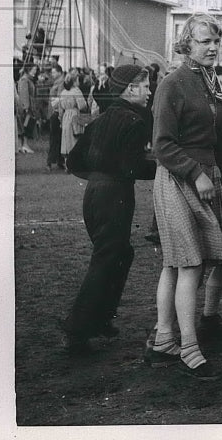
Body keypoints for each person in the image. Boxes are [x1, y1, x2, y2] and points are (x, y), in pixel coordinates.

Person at [146, 13, 222, 380]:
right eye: (204, 41)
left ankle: (165, 339)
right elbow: (162, 145)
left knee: (178, 263)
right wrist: (196, 173)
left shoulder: (214, 82)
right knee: (187, 263)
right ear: (187, 44)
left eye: (216, 40)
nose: (213, 47)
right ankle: (188, 347)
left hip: (208, 180)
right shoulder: (173, 83)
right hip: (178, 179)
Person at [60, 65, 156, 354]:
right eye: (145, 86)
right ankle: (77, 331)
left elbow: (74, 162)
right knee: (106, 260)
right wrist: (162, 167)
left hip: (94, 194)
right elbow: (132, 166)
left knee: (120, 254)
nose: (150, 91)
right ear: (130, 89)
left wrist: (101, 177)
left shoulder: (101, 120)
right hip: (115, 196)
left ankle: (101, 319)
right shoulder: (135, 121)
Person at [59, 72, 91, 163]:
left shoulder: (63, 92)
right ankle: (75, 162)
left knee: (66, 139)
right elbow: (82, 106)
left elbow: (60, 108)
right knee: (75, 138)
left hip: (65, 116)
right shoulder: (76, 91)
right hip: (74, 115)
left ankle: (66, 161)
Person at [45, 63, 66, 170]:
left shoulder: (61, 83)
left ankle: (50, 161)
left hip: (56, 113)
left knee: (54, 138)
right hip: (55, 112)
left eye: (53, 72)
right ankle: (59, 160)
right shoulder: (58, 82)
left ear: (59, 72)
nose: (52, 74)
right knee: (57, 137)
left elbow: (59, 99)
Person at [15, 64, 38, 154]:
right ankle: (25, 145)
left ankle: (22, 145)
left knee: (24, 125)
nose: (35, 72)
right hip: (27, 107)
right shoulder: (25, 80)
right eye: (33, 70)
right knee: (27, 125)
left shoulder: (26, 79)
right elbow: (24, 94)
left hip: (26, 106)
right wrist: (27, 108)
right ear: (29, 70)